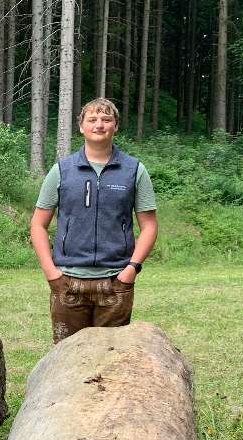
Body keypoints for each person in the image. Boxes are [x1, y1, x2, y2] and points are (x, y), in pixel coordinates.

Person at [29, 97, 158, 343]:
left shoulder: (134, 170)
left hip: (115, 281)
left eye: (106, 119)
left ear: (115, 126)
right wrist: (51, 272)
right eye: (93, 119)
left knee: (111, 360)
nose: (99, 124)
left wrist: (132, 269)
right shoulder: (62, 170)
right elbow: (38, 224)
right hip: (67, 281)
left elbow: (149, 226)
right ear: (81, 126)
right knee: (66, 359)